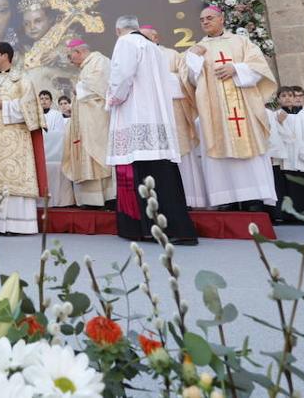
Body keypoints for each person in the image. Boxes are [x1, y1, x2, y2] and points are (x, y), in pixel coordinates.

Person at [106, 18, 197, 244]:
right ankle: (175, 228)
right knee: (163, 174)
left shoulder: (126, 42)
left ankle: (145, 228)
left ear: (119, 30)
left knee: (142, 172)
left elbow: (122, 76)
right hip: (157, 118)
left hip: (136, 116)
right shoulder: (154, 49)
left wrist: (112, 98)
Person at [184, 6, 278, 210]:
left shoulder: (241, 42)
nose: (205, 22)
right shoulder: (198, 48)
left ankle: (254, 199)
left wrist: (235, 68)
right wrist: (195, 59)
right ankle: (227, 199)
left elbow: (260, 68)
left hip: (244, 106)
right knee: (219, 150)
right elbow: (191, 80)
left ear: (221, 19)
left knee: (251, 149)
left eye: (210, 18)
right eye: (202, 20)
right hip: (215, 110)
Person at [0, 41, 46, 234]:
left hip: (15, 141)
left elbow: (31, 108)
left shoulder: (22, 79)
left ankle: (16, 225)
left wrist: (4, 105)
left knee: (12, 179)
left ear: (5, 56)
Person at [139, 25, 206, 208]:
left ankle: (189, 199)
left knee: (181, 154)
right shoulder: (138, 59)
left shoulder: (171, 55)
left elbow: (185, 80)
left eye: (146, 37)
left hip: (174, 112)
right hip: (151, 116)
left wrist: (163, 82)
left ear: (156, 36)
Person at [62, 39, 114, 207]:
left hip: (97, 120)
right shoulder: (86, 66)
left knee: (98, 155)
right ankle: (92, 200)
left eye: (71, 56)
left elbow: (102, 85)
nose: (70, 61)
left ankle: (107, 197)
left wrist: (79, 88)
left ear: (79, 52)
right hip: (85, 121)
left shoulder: (100, 61)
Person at [269, 85, 304, 219]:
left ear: (295, 98)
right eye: (283, 96)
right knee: (292, 187)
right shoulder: (275, 116)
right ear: (278, 99)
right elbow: (277, 136)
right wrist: (280, 124)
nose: (287, 98)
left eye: (290, 95)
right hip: (289, 157)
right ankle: (293, 216)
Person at [38, 89, 73, 206]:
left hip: (54, 153)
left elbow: (60, 133)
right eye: (41, 99)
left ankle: (59, 201)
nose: (44, 101)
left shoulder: (57, 115)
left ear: (51, 101)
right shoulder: (35, 115)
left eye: (46, 99)